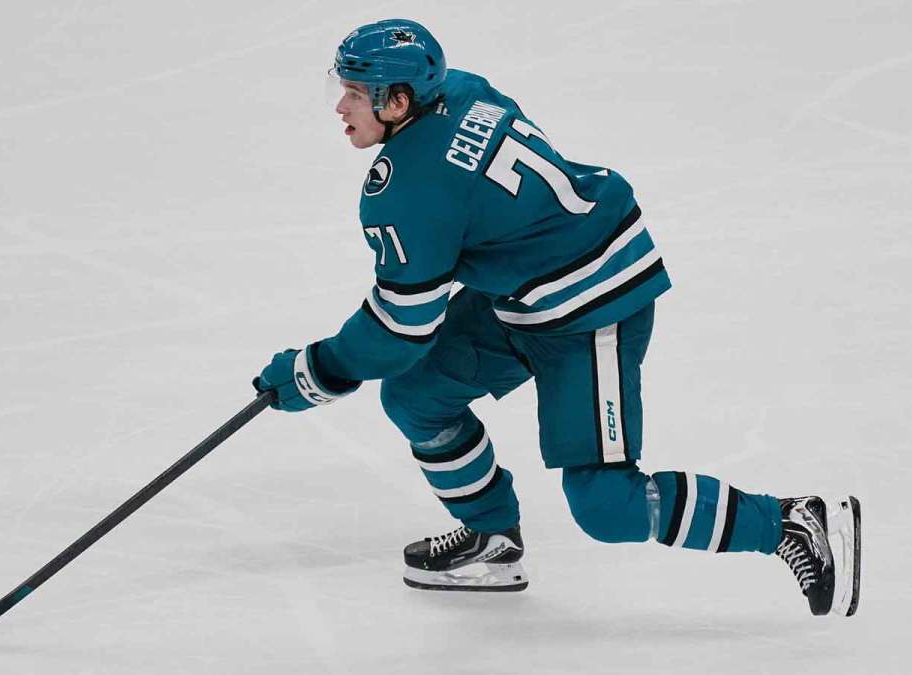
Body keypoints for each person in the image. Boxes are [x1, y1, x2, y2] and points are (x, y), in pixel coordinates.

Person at [252, 19, 861, 616]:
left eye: (355, 93)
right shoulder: (462, 88)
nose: (341, 106)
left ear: (398, 100)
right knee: (417, 395)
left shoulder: (409, 189)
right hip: (530, 288)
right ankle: (493, 540)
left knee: (607, 506)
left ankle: (790, 522)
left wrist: (316, 371)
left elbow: (400, 329)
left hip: (591, 309)